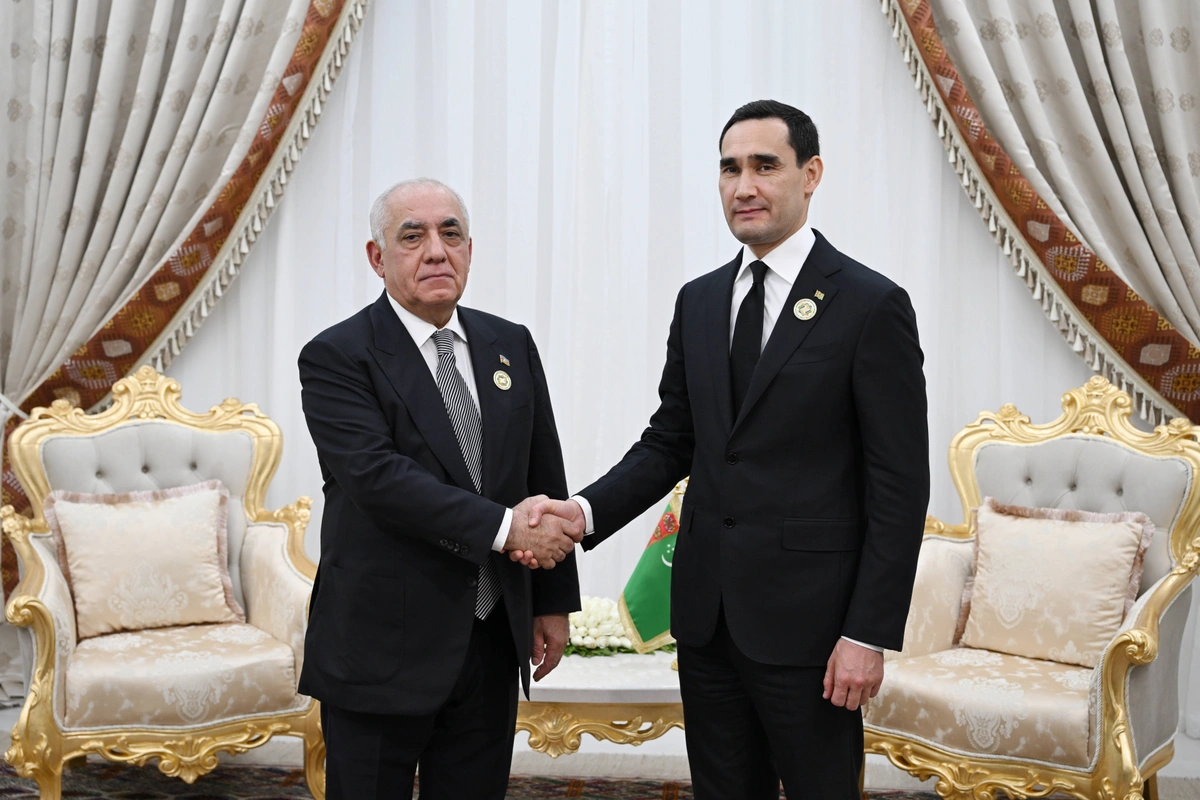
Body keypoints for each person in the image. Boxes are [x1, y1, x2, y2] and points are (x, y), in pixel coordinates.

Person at [524, 100, 929, 799]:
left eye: (765, 166)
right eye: (730, 169)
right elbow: (671, 440)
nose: (744, 186)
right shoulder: (700, 301)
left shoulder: (870, 305)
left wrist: (867, 633)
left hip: (814, 626)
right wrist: (582, 512)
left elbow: (900, 486)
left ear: (811, 174)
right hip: (708, 619)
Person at [297, 178, 582, 800]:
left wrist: (552, 601)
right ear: (377, 257)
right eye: (412, 236)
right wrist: (507, 529)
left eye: (450, 233)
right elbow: (379, 479)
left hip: (490, 635)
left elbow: (543, 475)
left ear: (469, 250)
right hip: (381, 645)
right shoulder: (337, 355)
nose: (435, 250)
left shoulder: (510, 343)